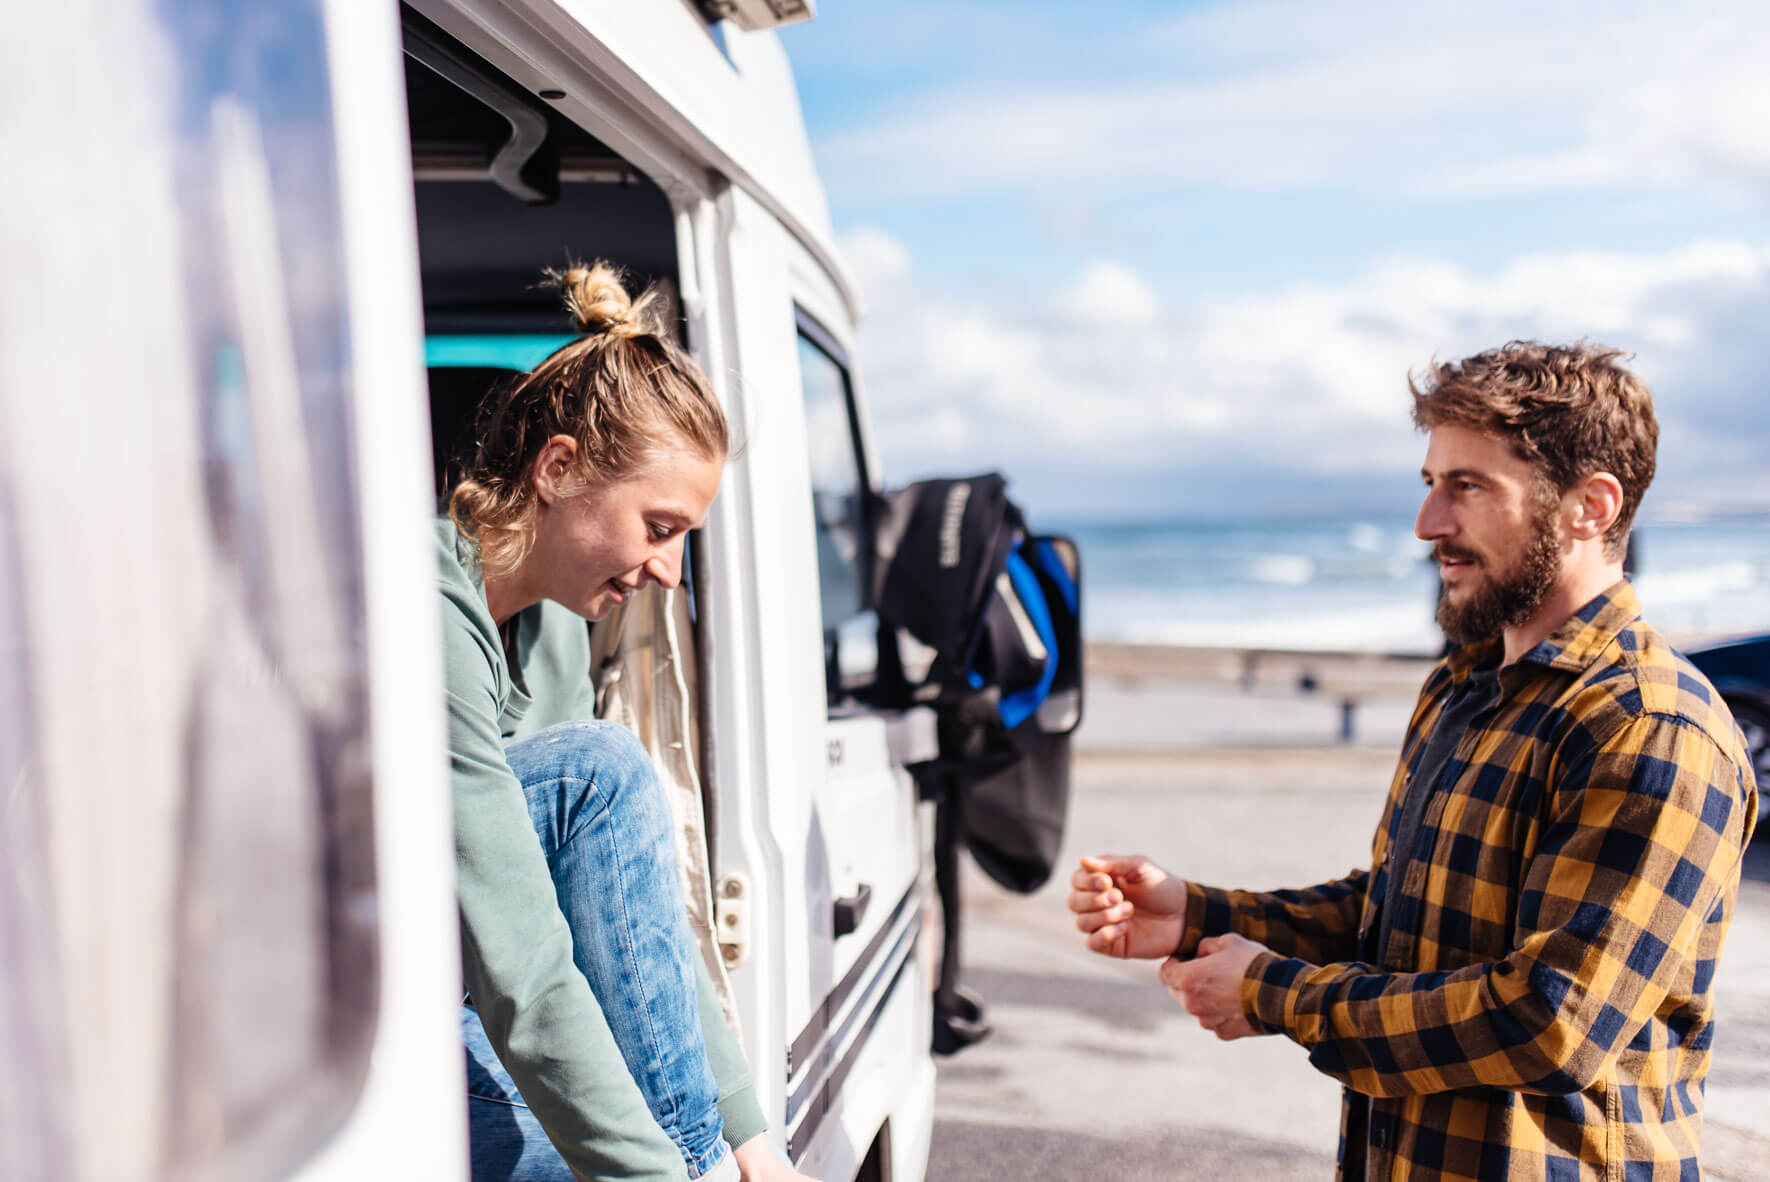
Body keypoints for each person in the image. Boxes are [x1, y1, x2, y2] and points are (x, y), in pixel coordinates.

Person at [1069, 342, 1758, 1180]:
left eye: (1467, 487)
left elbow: (1551, 1021)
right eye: (1430, 484)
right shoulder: (1465, 683)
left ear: (1590, 506)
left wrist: (1274, 994)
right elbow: (1391, 913)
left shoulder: (1651, 726)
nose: (1428, 525)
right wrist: (1200, 917)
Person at [439, 262, 812, 1182]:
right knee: (601, 770)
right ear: (559, 469)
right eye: (660, 526)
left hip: (456, 993)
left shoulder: (557, 631)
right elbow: (524, 960)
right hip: (320, 1012)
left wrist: (751, 1140)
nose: (671, 571)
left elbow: (622, 915)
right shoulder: (424, 612)